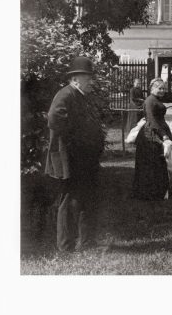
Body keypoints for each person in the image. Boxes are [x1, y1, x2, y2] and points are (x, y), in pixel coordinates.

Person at [45, 56, 105, 252]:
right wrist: (76, 140)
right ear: (76, 79)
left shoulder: (81, 96)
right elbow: (54, 119)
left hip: (84, 158)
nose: (92, 82)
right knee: (69, 201)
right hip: (69, 158)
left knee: (86, 198)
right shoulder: (65, 94)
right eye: (88, 78)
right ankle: (66, 246)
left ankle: (87, 242)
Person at [132, 78, 172, 200]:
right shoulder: (150, 101)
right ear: (152, 88)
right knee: (150, 164)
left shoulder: (156, 99)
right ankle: (147, 194)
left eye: (163, 88)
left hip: (157, 132)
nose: (162, 91)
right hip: (150, 136)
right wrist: (163, 136)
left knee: (157, 164)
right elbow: (151, 120)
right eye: (159, 88)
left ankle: (157, 192)